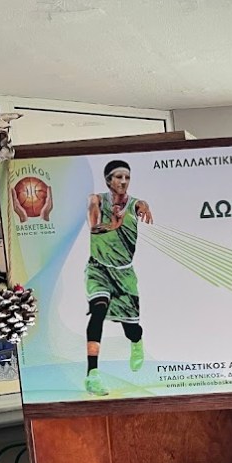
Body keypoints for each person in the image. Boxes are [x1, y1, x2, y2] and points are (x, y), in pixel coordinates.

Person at [83, 159, 153, 396]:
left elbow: (140, 204)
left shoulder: (134, 204)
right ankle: (92, 374)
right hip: (99, 269)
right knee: (98, 311)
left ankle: (136, 343)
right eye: (118, 177)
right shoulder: (96, 200)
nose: (124, 181)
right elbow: (94, 227)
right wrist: (113, 225)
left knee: (131, 329)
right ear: (108, 180)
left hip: (124, 274)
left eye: (127, 177)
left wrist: (143, 205)